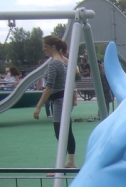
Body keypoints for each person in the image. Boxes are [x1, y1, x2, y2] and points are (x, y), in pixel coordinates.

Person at [33, 35, 77, 169]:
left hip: (59, 100)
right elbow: (70, 80)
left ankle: (60, 166)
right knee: (66, 131)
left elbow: (49, 87)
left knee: (60, 132)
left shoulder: (54, 63)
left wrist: (38, 107)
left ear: (53, 47)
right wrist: (74, 97)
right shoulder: (65, 61)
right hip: (66, 99)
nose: (44, 49)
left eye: (45, 46)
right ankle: (70, 161)